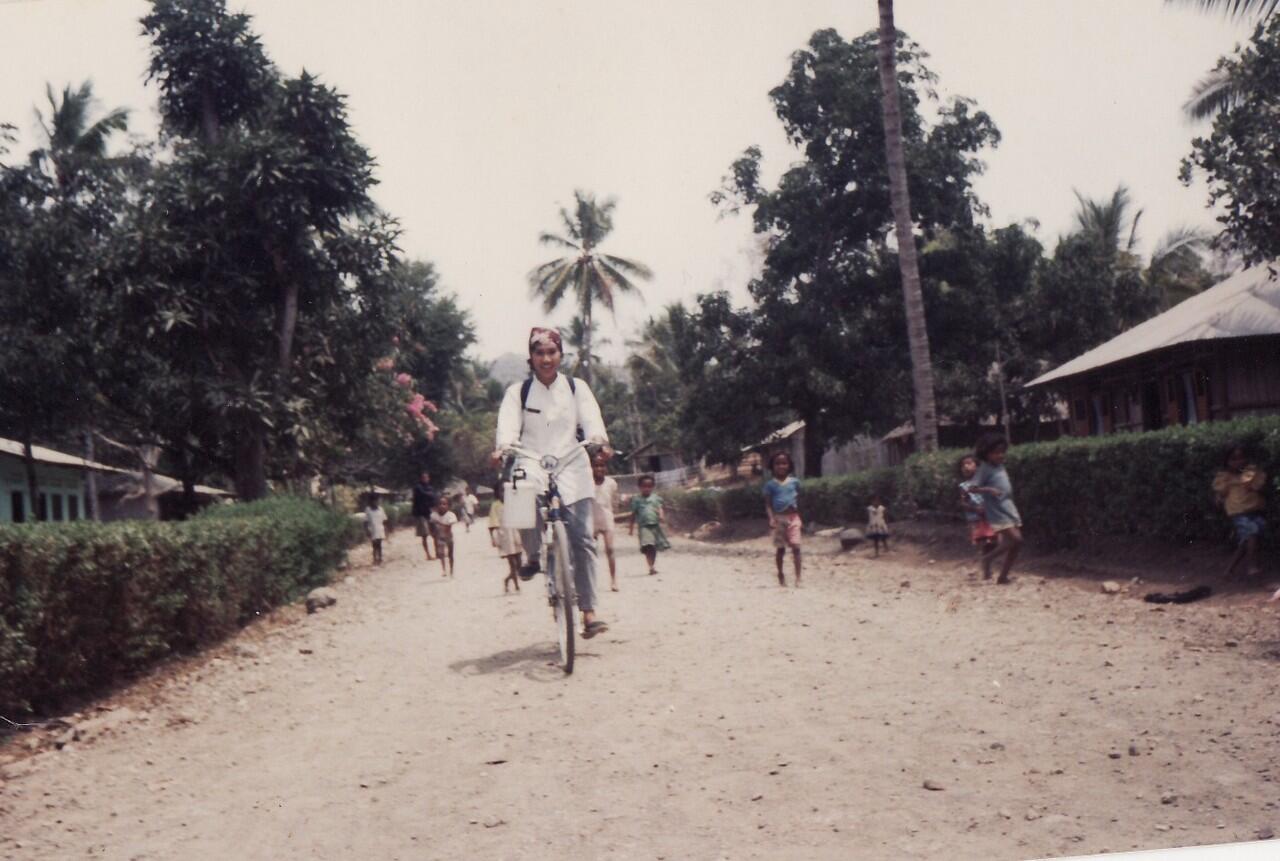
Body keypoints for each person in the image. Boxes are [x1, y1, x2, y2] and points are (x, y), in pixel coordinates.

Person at [492, 326, 612, 639]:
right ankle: (532, 555)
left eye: (551, 352)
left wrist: (599, 440)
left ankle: (589, 613)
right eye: (539, 353)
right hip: (531, 458)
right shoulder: (518, 392)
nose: (546, 358)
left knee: (583, 539)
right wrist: (503, 445)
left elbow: (591, 419)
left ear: (560, 355)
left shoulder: (577, 388)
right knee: (519, 490)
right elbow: (507, 425)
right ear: (530, 357)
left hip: (571, 460)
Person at [971, 433, 1022, 584]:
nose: (1000, 455)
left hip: (1008, 508)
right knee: (1016, 539)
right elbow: (972, 488)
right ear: (986, 454)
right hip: (997, 510)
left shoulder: (1000, 466)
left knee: (1017, 544)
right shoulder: (985, 469)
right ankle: (987, 559)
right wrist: (989, 490)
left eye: (1002, 451)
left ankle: (1003, 576)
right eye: (996, 452)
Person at [1213, 444, 1267, 579]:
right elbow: (1220, 492)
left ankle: (1229, 570)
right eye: (1233, 459)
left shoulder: (1251, 472)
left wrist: (1249, 480)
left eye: (1241, 458)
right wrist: (1219, 497)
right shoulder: (1224, 477)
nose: (1238, 462)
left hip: (1254, 509)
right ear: (1227, 461)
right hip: (1239, 512)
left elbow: (1258, 486)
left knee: (1247, 540)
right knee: (1252, 533)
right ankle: (1252, 566)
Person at [762, 451, 802, 586]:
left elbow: (800, 498)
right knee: (781, 549)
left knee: (796, 547)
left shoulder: (795, 482)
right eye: (777, 463)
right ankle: (780, 574)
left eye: (784, 463)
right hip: (779, 518)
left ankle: (798, 578)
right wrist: (771, 518)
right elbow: (768, 504)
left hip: (794, 517)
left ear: (789, 465)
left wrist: (801, 515)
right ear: (772, 466)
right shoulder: (770, 485)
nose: (781, 466)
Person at [629, 475, 670, 576]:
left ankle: (652, 566)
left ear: (653, 487)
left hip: (655, 526)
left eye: (649, 486)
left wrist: (661, 515)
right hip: (644, 527)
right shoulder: (637, 500)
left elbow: (659, 508)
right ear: (639, 487)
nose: (646, 488)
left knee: (653, 547)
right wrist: (631, 528)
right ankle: (650, 566)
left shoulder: (656, 498)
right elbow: (633, 514)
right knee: (648, 545)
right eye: (644, 486)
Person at [958, 454, 997, 559]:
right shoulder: (964, 486)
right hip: (977, 518)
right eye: (963, 465)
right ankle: (986, 567)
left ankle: (989, 563)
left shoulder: (985, 482)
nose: (966, 466)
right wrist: (975, 509)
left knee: (994, 541)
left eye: (969, 463)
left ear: (977, 467)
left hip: (990, 515)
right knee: (984, 542)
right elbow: (963, 503)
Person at [592, 453, 621, 592]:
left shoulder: (611, 483)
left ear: (606, 467)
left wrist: (613, 513)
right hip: (592, 518)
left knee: (610, 549)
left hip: (607, 516)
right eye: (596, 466)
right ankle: (590, 581)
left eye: (601, 465)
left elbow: (614, 501)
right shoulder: (588, 483)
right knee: (590, 551)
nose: (599, 469)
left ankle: (614, 579)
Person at [488, 483, 522, 593]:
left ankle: (507, 580)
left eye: (505, 490)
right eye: (500, 491)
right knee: (512, 563)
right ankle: (516, 586)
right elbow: (492, 524)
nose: (503, 493)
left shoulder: (513, 502)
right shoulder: (495, 505)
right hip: (505, 536)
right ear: (497, 493)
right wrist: (493, 539)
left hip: (515, 533)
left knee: (519, 563)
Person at [411, 471, 437, 561]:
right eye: (424, 477)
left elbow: (433, 497)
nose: (425, 479)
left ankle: (437, 552)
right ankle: (428, 555)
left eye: (427, 477)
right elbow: (427, 495)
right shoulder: (418, 488)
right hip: (421, 514)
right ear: (421, 478)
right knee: (424, 535)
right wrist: (430, 494)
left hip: (429, 513)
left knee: (435, 533)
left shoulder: (429, 487)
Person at [430, 496, 458, 577]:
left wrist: (438, 523)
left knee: (450, 554)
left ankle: (451, 570)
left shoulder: (451, 515)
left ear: (448, 505)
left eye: (444, 504)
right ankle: (444, 569)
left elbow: (448, 525)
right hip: (439, 537)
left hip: (449, 536)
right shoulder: (434, 515)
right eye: (440, 504)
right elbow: (431, 525)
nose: (442, 506)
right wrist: (432, 533)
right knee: (441, 554)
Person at [364, 493, 387, 566]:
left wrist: (386, 529)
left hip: (380, 529)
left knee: (379, 544)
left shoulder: (381, 509)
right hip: (372, 529)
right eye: (376, 501)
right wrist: (366, 530)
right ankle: (374, 558)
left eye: (378, 501)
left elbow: (384, 520)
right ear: (371, 501)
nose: (377, 502)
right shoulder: (368, 509)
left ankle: (380, 558)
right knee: (374, 545)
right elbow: (365, 521)